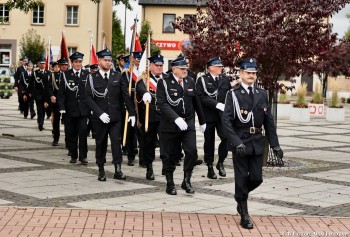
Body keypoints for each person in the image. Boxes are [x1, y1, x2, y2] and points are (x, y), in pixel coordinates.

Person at [222, 58, 283, 229]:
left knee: (257, 178)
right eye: (248, 72)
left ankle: (239, 197)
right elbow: (226, 121)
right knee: (241, 178)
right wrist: (236, 142)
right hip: (240, 142)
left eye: (254, 73)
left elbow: (268, 121)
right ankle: (245, 213)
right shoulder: (232, 94)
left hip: (257, 142)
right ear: (241, 73)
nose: (251, 75)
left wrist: (275, 145)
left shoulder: (262, 94)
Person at [156, 57, 206, 195]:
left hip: (188, 122)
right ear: (174, 69)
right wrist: (176, 118)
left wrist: (202, 120)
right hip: (170, 125)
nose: (185, 71)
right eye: (182, 69)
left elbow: (196, 101)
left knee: (191, 151)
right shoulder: (164, 82)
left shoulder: (190, 80)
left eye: (186, 68)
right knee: (170, 155)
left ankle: (186, 180)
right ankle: (170, 182)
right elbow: (162, 103)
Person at [85, 48, 136, 181]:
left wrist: (132, 113)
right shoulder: (92, 77)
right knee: (101, 143)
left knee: (116, 142)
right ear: (99, 61)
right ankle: (101, 169)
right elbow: (88, 98)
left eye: (109, 60)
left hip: (115, 116)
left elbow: (125, 95)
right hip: (100, 118)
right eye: (105, 60)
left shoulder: (117, 76)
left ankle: (117, 168)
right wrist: (99, 113)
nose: (108, 63)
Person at [196, 57, 231, 179]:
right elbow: (201, 97)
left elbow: (229, 96)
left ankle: (220, 162)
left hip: (222, 116)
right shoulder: (202, 80)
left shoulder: (225, 80)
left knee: (227, 138)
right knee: (209, 141)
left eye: (221, 66)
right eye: (218, 66)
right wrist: (216, 104)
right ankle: (210, 167)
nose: (221, 68)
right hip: (209, 115)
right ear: (211, 67)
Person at [136, 54, 166, 180]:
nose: (159, 68)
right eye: (157, 65)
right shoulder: (145, 78)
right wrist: (144, 93)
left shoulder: (166, 78)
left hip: (164, 115)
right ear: (151, 65)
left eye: (161, 65)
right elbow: (139, 87)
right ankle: (149, 167)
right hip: (151, 114)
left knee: (166, 141)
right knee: (149, 143)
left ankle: (166, 164)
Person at [57, 52, 90, 165]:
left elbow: (90, 93)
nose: (78, 64)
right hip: (70, 110)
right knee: (71, 134)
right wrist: (61, 107)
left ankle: (83, 156)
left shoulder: (87, 74)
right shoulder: (66, 75)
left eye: (80, 62)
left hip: (83, 110)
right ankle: (73, 154)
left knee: (83, 133)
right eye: (76, 62)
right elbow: (61, 94)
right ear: (72, 62)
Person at [121, 51, 141, 166]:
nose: (138, 62)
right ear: (132, 59)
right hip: (130, 104)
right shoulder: (126, 73)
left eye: (140, 60)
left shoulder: (145, 72)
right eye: (136, 60)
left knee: (142, 132)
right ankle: (131, 155)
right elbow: (123, 90)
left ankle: (143, 157)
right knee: (130, 131)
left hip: (142, 104)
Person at [28, 57, 50, 131]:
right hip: (38, 94)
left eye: (43, 63)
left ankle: (41, 120)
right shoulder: (35, 73)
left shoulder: (48, 73)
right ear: (38, 64)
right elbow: (31, 83)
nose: (42, 65)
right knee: (40, 109)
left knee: (45, 109)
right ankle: (40, 123)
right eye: (41, 63)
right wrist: (30, 92)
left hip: (46, 94)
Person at [45, 61, 61, 146]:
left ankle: (69, 140)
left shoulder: (68, 74)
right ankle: (56, 138)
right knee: (56, 121)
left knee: (69, 122)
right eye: (56, 67)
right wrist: (51, 96)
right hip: (56, 101)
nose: (57, 68)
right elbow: (49, 87)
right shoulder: (53, 76)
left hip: (66, 102)